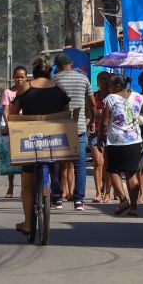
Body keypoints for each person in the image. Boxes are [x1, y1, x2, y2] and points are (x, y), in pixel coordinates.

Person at [10, 55, 70, 236]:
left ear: (33, 73)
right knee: (55, 159)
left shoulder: (25, 88)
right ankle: (55, 177)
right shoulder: (59, 89)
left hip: (31, 143)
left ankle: (28, 224)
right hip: (54, 142)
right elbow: (66, 115)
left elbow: (13, 115)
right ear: (50, 72)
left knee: (27, 183)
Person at [51, 53, 93, 211]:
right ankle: (79, 201)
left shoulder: (54, 80)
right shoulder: (83, 78)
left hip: (59, 128)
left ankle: (57, 198)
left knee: (57, 164)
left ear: (57, 67)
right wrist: (92, 120)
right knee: (80, 166)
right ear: (71, 63)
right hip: (78, 128)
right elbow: (92, 104)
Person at [102, 73, 143, 216]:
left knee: (113, 170)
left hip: (115, 140)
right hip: (134, 140)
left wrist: (100, 138)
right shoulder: (138, 97)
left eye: (109, 85)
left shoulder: (110, 99)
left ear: (116, 86)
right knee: (131, 173)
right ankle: (134, 208)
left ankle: (123, 200)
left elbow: (104, 123)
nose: (108, 88)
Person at [0, 66, 27, 197]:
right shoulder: (8, 93)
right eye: (17, 77)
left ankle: (24, 188)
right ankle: (10, 186)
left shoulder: (28, 91)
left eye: (22, 77)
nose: (19, 79)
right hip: (11, 125)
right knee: (11, 157)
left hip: (25, 126)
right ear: (13, 78)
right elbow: (5, 111)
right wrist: (9, 124)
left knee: (25, 159)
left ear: (26, 78)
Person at [88, 71, 111, 203]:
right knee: (98, 162)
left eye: (107, 79)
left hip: (110, 134)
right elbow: (88, 114)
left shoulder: (113, 97)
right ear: (97, 82)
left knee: (108, 164)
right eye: (102, 79)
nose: (105, 81)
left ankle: (107, 192)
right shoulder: (93, 97)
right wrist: (92, 118)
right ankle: (98, 193)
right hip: (95, 133)